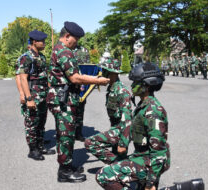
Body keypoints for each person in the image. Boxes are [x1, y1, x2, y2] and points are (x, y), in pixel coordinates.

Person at [46, 21, 110, 183]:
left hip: (64, 98)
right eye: (76, 39)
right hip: (63, 101)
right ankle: (64, 172)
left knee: (66, 134)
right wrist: (96, 80)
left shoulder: (61, 50)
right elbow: (74, 77)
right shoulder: (64, 52)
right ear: (67, 36)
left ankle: (67, 165)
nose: (78, 43)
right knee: (66, 135)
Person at [96, 62, 170, 190]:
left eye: (136, 82)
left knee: (103, 175)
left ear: (146, 86)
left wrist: (150, 183)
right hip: (142, 156)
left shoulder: (153, 111)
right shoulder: (144, 104)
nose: (132, 85)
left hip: (149, 160)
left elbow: (159, 153)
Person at [85, 58, 132, 164]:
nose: (101, 74)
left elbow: (127, 119)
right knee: (119, 158)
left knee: (90, 142)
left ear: (112, 73)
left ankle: (117, 165)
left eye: (104, 71)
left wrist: (123, 143)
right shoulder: (112, 88)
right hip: (115, 127)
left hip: (122, 130)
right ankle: (119, 166)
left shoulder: (121, 91)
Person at [17, 30, 55, 161]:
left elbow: (46, 77)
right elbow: (23, 78)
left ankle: (40, 145)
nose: (44, 43)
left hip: (43, 94)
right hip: (33, 94)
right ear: (34, 41)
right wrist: (28, 98)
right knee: (32, 123)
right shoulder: (26, 57)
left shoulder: (42, 57)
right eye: (42, 41)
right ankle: (32, 150)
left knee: (41, 122)